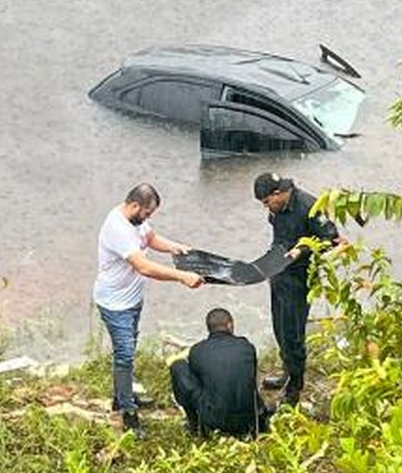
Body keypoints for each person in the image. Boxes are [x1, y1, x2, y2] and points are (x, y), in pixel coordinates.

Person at [94, 183, 203, 434]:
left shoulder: (136, 221)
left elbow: (151, 238)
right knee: (125, 355)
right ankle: (128, 414)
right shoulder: (117, 228)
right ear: (134, 205)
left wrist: (176, 247)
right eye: (146, 213)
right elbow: (143, 267)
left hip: (132, 300)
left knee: (129, 346)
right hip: (114, 303)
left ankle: (121, 396)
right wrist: (181, 276)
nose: (147, 219)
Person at [253, 172, 344, 406]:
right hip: (279, 272)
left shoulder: (309, 207)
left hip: (299, 278)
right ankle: (287, 372)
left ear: (277, 193)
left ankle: (295, 387)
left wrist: (301, 250)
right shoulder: (277, 209)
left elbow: (331, 239)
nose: (267, 208)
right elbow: (279, 237)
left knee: (293, 332)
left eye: (267, 202)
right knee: (280, 327)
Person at [170, 308, 270, 438]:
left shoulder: (197, 350)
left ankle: (194, 425)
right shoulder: (246, 347)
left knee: (178, 366)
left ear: (209, 328)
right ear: (230, 325)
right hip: (248, 417)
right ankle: (258, 421)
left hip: (214, 419)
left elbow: (196, 384)